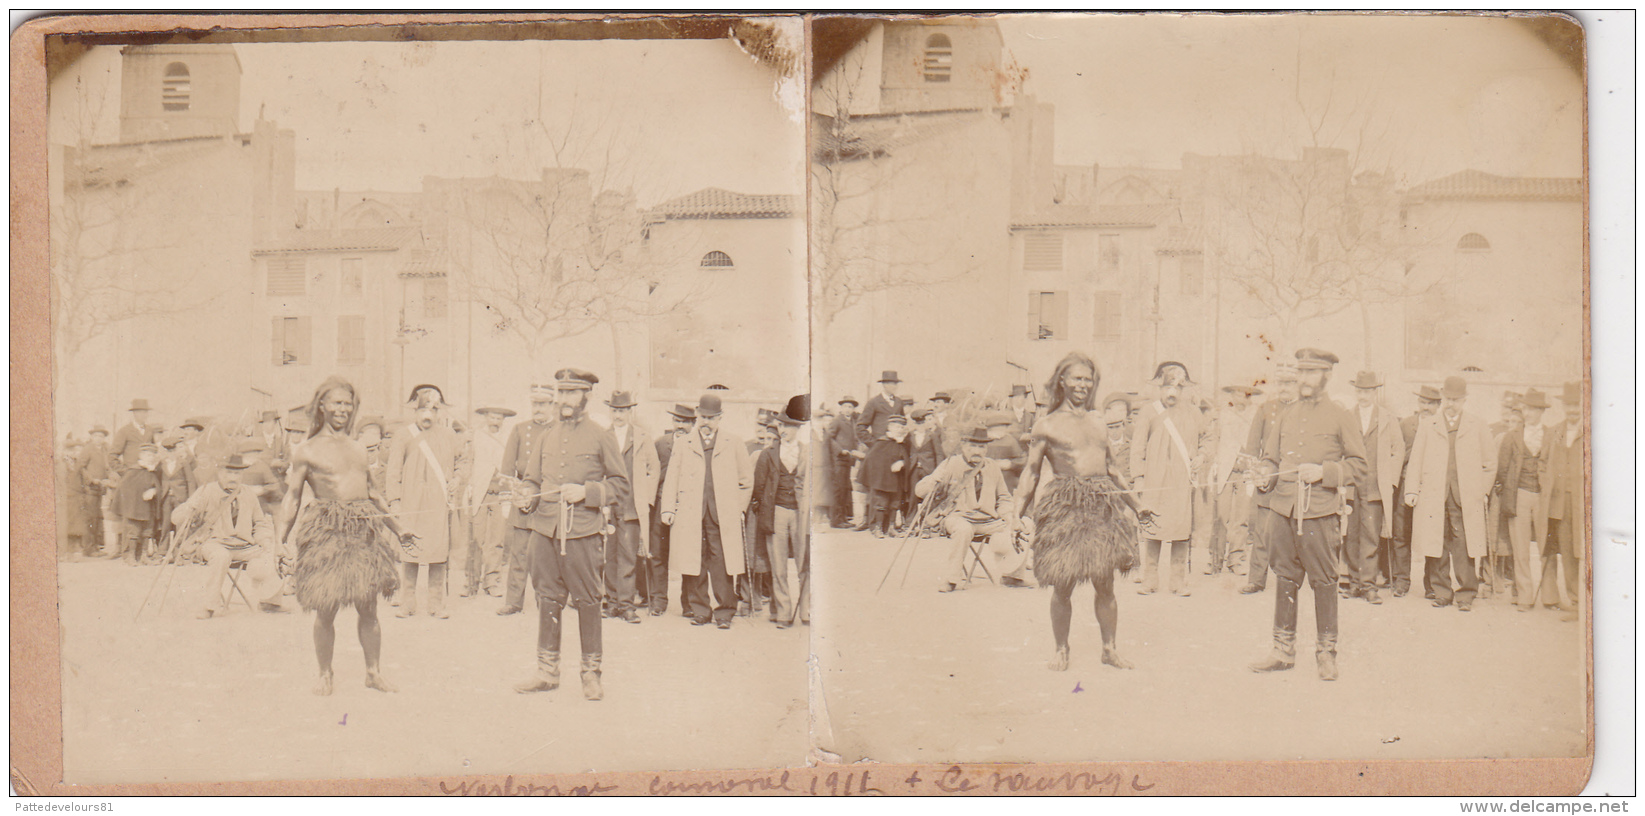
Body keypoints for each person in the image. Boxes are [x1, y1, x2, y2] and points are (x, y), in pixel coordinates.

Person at [1014, 352, 1149, 671]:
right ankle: (1061, 649)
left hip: (1102, 504)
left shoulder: (1099, 420)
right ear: (1062, 379)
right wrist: (1016, 514)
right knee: (1063, 584)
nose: (1082, 384)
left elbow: (1114, 469)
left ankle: (1109, 649)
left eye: (1088, 379)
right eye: (1076, 378)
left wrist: (1138, 506)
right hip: (1065, 505)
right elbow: (1031, 472)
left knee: (1106, 584)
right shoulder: (1046, 424)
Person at [278, 376, 409, 695]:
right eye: (336, 402)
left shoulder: (359, 449)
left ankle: (373, 672)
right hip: (326, 532)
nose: (343, 409)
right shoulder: (306, 450)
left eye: (348, 403)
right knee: (326, 608)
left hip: (363, 530)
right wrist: (279, 540)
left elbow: (374, 495)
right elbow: (293, 496)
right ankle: (325, 674)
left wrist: (399, 528)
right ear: (321, 405)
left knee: (369, 608)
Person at [1248, 348, 1366, 682]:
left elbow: (1358, 466)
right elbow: (1270, 459)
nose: (1303, 379)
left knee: (1324, 582)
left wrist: (1324, 472)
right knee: (1285, 578)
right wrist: (1263, 475)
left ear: (1327, 376)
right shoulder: (1286, 414)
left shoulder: (1340, 415)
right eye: (1300, 372)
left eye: (1311, 373)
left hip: (1319, 513)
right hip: (1283, 510)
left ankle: (1326, 654)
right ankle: (1282, 651)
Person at [514, 369, 629, 699]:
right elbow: (532, 479)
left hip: (581, 531)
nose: (563, 400)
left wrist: (587, 492)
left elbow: (620, 486)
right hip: (544, 529)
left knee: (588, 600)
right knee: (547, 597)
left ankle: (591, 674)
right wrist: (525, 495)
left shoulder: (601, 435)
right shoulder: (546, 435)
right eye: (560, 393)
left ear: (586, 396)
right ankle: (547, 671)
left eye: (571, 393)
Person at [659, 393, 752, 629]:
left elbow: (746, 481)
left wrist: (739, 508)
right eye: (703, 417)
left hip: (721, 515)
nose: (706, 422)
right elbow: (671, 479)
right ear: (697, 416)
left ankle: (724, 612)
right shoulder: (684, 443)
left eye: (711, 418)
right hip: (691, 513)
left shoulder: (734, 443)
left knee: (721, 562)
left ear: (720, 418)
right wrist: (668, 508)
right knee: (694, 561)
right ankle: (700, 610)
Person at [1404, 375, 1496, 612]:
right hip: (1435, 495)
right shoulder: (1429, 425)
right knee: (1437, 543)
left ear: (1465, 400)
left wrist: (1482, 491)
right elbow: (1415, 461)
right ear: (1443, 397)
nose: (1452, 404)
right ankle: (1442, 591)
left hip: (1465, 497)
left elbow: (1489, 464)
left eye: (1457, 399)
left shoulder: (1477, 425)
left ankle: (1466, 594)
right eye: (1448, 399)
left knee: (1464, 544)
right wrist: (1412, 489)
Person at [386, 384, 469, 619]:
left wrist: (458, 478)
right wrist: (395, 501)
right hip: (411, 502)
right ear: (415, 410)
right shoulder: (404, 434)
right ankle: (407, 602)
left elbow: (463, 462)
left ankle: (435, 604)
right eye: (423, 410)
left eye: (433, 410)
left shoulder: (449, 435)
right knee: (410, 550)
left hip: (439, 503)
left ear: (439, 411)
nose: (427, 415)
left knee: (438, 552)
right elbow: (393, 471)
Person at [171, 454, 284, 619]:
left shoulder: (249, 494)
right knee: (220, 555)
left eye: (237, 474)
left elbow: (260, 523)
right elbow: (175, 518)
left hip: (243, 545)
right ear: (220, 473)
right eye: (228, 473)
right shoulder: (206, 491)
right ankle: (210, 606)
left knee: (275, 551)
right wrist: (190, 510)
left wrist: (265, 540)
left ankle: (271, 601)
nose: (233, 477)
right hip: (214, 543)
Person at [1130, 361, 1209, 596]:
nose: (1172, 393)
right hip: (1155, 481)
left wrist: (1203, 455)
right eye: (1167, 388)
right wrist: (1139, 478)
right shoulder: (1148, 411)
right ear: (1160, 388)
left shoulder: (1194, 412)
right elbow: (1137, 447)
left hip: (1181, 482)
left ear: (1184, 389)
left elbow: (1208, 438)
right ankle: (1150, 579)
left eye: (1177, 388)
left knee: (1180, 530)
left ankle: (1177, 581)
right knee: (1152, 528)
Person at [919, 425, 1025, 593]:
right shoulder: (950, 464)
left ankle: (1013, 575)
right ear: (964, 446)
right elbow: (920, 490)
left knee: (1024, 524)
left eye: (981, 447)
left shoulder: (992, 466)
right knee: (963, 529)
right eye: (973, 446)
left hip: (988, 520)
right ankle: (952, 579)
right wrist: (934, 482)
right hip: (957, 517)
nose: (977, 451)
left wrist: (1009, 517)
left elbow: (1004, 497)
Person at [1344, 371, 1404, 606]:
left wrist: (1389, 481)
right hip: (1352, 486)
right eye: (1360, 391)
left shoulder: (1388, 418)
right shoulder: (1347, 416)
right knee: (1351, 536)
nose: (1363, 395)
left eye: (1368, 391)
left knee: (1370, 536)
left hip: (1375, 488)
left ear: (1375, 393)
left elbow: (1398, 450)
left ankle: (1369, 586)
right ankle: (1354, 583)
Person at [1239, 365, 1299, 595]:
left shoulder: (1304, 410)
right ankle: (1256, 579)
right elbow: (1253, 447)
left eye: (1290, 383)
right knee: (1262, 532)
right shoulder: (1266, 409)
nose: (1285, 388)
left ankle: (1293, 578)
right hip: (1268, 479)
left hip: (1293, 482)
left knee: (1295, 533)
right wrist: (1257, 475)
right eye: (1281, 383)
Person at [497, 385, 556, 616]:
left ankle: (547, 599)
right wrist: (517, 496)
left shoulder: (560, 429)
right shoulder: (520, 430)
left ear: (552, 405)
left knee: (546, 556)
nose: (538, 408)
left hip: (548, 498)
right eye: (535, 404)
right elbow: (507, 469)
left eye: (543, 404)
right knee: (519, 552)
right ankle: (513, 601)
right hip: (523, 495)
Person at [602, 391, 659, 625]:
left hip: (632, 506)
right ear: (611, 412)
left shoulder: (642, 437)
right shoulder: (603, 436)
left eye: (623, 410)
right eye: (615, 410)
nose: (618, 415)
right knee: (609, 556)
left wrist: (646, 499)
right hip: (609, 505)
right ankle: (612, 602)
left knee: (628, 556)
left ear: (629, 412)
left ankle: (627, 605)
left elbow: (653, 469)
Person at [1493, 388, 1551, 611]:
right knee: (1521, 548)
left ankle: (1549, 595)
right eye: (1527, 409)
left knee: (1546, 547)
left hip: (1543, 497)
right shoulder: (1512, 436)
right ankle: (1525, 596)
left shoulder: (1550, 434)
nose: (1530, 414)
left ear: (1541, 412)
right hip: (1520, 496)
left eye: (1535, 410)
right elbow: (1503, 469)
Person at [755, 395, 811, 627]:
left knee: (804, 563)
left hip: (801, 513)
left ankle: (806, 610)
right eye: (781, 425)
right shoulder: (768, 454)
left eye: (789, 426)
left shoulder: (807, 452)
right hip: (776, 512)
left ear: (797, 428)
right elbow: (758, 487)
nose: (784, 430)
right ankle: (783, 612)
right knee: (778, 566)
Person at [640, 403, 695, 617]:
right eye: (677, 421)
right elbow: (651, 473)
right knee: (658, 554)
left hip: (687, 508)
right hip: (661, 505)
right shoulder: (661, 444)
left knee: (687, 554)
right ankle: (658, 600)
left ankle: (689, 603)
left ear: (693, 424)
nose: (680, 426)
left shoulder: (696, 445)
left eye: (685, 422)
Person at [1540, 383, 1583, 621]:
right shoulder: (1555, 431)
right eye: (1569, 405)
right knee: (1566, 551)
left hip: (1582, 503)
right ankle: (1576, 602)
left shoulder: (1592, 430)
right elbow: (1542, 463)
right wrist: (1546, 483)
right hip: (1558, 503)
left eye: (1577, 405)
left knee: (1582, 551)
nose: (1573, 410)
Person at [1395, 385, 1441, 598]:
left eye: (1431, 403)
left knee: (1430, 534)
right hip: (1406, 484)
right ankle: (1402, 580)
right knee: (1402, 533)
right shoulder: (1406, 425)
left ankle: (1430, 584)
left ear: (1438, 405)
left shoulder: (1440, 426)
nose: (1426, 407)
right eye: (1423, 402)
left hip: (1431, 488)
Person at [464, 407, 513, 598]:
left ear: (503, 419)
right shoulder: (475, 436)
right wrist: (469, 484)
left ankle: (492, 580)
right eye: (492, 416)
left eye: (499, 417)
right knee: (476, 538)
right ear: (486, 417)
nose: (495, 420)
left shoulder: (509, 438)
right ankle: (471, 581)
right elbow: (468, 461)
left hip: (501, 493)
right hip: (480, 493)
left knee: (497, 539)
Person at [1210, 386, 1259, 577]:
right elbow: (1215, 440)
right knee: (1220, 516)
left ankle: (1236, 559)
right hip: (1225, 471)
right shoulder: (1223, 414)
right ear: (1232, 395)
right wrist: (1215, 462)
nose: (1241, 397)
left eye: (1246, 394)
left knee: (1241, 517)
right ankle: (1215, 559)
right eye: (1237, 393)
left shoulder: (1256, 415)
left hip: (1246, 471)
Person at [111, 443, 162, 565]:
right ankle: (130, 556)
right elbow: (124, 488)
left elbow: (157, 486)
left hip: (148, 507)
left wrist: (154, 490)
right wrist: (138, 495)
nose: (151, 457)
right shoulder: (134, 470)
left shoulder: (153, 470)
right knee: (133, 531)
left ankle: (144, 555)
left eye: (153, 455)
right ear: (141, 456)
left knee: (147, 531)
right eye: (148, 455)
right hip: (134, 507)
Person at [862, 413, 911, 537]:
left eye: (901, 427)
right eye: (897, 427)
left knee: (895, 503)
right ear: (889, 427)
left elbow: (906, 458)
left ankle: (891, 527)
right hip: (882, 480)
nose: (900, 430)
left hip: (896, 479)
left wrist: (902, 462)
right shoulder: (881, 442)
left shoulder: (902, 443)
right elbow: (871, 460)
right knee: (881, 503)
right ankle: (877, 528)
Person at [828, 396, 861, 528]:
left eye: (851, 407)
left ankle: (843, 518)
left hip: (848, 460)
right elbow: (829, 438)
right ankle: (836, 520)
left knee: (845, 489)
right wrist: (840, 450)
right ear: (841, 408)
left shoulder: (853, 421)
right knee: (839, 490)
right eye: (846, 406)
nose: (848, 409)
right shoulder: (837, 420)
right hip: (839, 460)